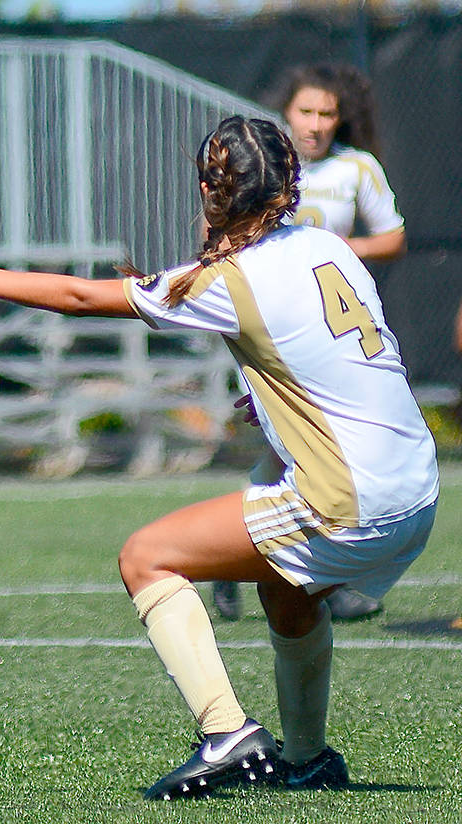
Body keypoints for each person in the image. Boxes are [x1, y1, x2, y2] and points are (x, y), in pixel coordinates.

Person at [0, 115, 437, 799]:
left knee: (147, 556)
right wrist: (271, 393)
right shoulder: (330, 245)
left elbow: (82, 296)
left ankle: (225, 732)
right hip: (418, 486)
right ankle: (307, 756)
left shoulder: (230, 279)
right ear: (290, 183)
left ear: (211, 188)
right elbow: (347, 350)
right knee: (285, 590)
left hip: (351, 499)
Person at [212, 62, 405, 622]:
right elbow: (222, 240)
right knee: (302, 450)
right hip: (279, 334)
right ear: (286, 113)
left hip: (333, 337)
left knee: (308, 450)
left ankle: (244, 563)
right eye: (306, 112)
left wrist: (331, 250)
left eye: (327, 113)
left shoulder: (356, 168)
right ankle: (309, 573)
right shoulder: (267, 167)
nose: (316, 123)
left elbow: (393, 237)